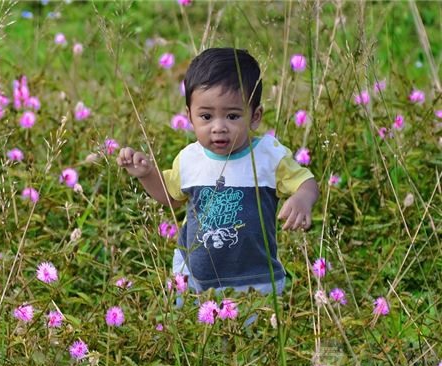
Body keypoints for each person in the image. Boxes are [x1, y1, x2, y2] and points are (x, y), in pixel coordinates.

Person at [117, 47, 319, 299]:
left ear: (255, 117)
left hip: (255, 279)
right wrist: (146, 174)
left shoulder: (269, 157)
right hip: (192, 276)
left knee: (249, 334)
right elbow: (171, 198)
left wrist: (302, 198)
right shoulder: (191, 158)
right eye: (206, 116)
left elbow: (306, 182)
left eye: (233, 116)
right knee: (193, 332)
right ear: (190, 116)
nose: (219, 127)